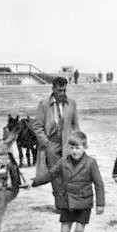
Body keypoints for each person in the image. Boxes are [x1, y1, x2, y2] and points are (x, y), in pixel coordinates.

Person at [29, 131, 104, 232]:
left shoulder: (91, 163)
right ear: (68, 148)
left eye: (78, 148)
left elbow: (99, 184)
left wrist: (100, 204)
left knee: (79, 231)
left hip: (83, 202)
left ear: (85, 147)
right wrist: (34, 182)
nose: (75, 151)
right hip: (67, 201)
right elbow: (51, 174)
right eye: (72, 148)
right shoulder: (63, 162)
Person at [32, 77, 80, 209]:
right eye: (60, 90)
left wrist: (78, 142)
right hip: (51, 144)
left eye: (64, 90)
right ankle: (60, 205)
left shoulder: (71, 103)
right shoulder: (44, 104)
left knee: (69, 172)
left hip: (68, 144)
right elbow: (37, 126)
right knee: (56, 174)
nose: (63, 93)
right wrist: (46, 143)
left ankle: (70, 201)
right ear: (53, 89)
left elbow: (75, 125)